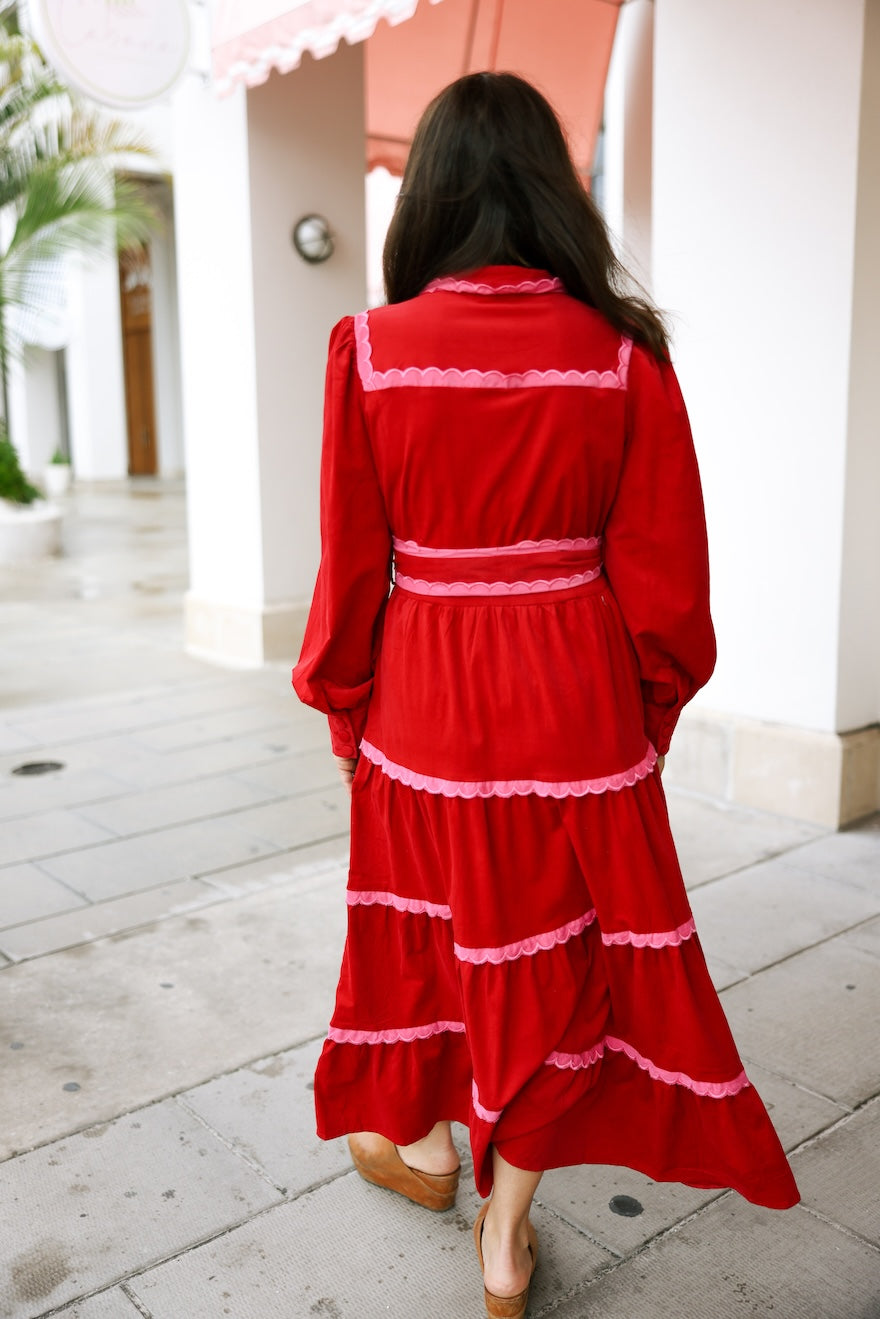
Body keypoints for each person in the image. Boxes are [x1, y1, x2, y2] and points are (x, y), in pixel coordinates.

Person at [293, 70, 798, 1319]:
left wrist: (345, 706)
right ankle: (505, 1241)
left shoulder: (370, 348)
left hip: (425, 693)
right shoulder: (623, 352)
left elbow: (353, 564)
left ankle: (416, 1145)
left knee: (427, 934)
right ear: (551, 189)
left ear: (428, 194)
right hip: (573, 696)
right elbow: (669, 583)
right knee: (557, 959)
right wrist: (644, 719)